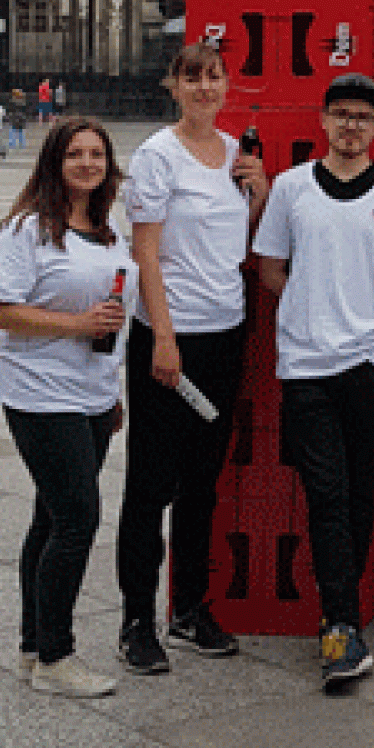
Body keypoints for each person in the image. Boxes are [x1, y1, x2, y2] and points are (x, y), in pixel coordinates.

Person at [252, 73, 374, 692]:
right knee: (326, 494)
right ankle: (339, 624)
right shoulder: (292, 189)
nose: (352, 126)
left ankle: (343, 609)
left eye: (364, 116)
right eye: (342, 115)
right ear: (323, 121)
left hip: (373, 362)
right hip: (306, 365)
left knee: (360, 494)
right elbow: (271, 268)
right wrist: (310, 302)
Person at [114, 43, 270, 676]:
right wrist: (164, 339)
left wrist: (258, 195)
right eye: (193, 78)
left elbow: (240, 243)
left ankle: (191, 608)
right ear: (173, 86)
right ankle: (135, 620)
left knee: (205, 479)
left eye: (215, 77)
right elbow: (146, 254)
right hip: (168, 334)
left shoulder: (236, 153)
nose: (206, 88)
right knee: (150, 483)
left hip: (225, 332)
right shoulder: (157, 156)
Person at [0, 115, 134, 699]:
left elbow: (114, 317)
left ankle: (32, 644)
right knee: (77, 520)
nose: (88, 164)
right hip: (40, 393)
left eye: (97, 154)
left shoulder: (109, 229)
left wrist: (113, 389)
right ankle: (56, 656)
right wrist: (75, 324)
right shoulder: (29, 229)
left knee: (49, 519)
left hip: (93, 393)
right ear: (55, 162)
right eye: (76, 155)